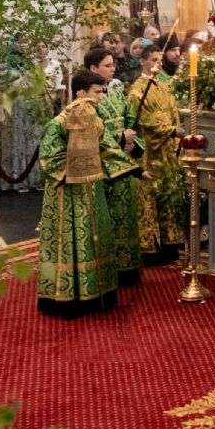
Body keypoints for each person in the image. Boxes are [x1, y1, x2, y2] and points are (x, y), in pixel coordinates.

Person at [36, 70, 119, 317]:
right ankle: (66, 297)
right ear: (81, 93)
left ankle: (95, 291)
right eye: (97, 92)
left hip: (92, 189)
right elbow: (49, 157)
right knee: (69, 239)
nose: (101, 97)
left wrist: (133, 169)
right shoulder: (59, 123)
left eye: (103, 91)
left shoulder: (96, 121)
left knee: (93, 238)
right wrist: (74, 171)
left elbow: (108, 149)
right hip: (66, 193)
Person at [84, 46, 142, 286]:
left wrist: (131, 141)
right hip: (103, 163)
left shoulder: (117, 88)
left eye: (112, 64)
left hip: (124, 159)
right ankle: (108, 269)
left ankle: (128, 266)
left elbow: (130, 117)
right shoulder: (88, 96)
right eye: (107, 65)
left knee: (127, 213)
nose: (113, 68)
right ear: (93, 68)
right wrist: (120, 140)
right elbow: (93, 129)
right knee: (109, 217)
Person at [125, 40, 184, 265]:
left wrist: (175, 133)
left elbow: (172, 111)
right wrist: (171, 131)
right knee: (152, 197)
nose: (158, 64)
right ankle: (152, 248)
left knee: (169, 196)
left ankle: (171, 243)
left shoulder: (164, 86)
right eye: (153, 60)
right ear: (143, 62)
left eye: (160, 60)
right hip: (151, 151)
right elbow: (146, 122)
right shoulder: (137, 91)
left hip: (168, 150)